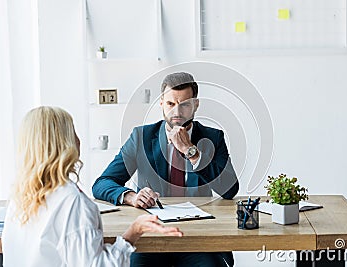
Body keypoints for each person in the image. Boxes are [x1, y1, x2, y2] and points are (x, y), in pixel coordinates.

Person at [2, 106, 182, 267]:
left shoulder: (19, 198)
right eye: (73, 132)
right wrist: (134, 231)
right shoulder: (72, 203)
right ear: (66, 144)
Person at [92, 72, 239, 266]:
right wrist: (131, 196)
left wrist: (191, 151)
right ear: (161, 103)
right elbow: (102, 184)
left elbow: (230, 190)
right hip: (151, 238)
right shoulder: (141, 137)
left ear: (195, 104)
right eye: (170, 104)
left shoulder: (213, 137)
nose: (177, 112)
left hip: (198, 238)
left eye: (185, 104)